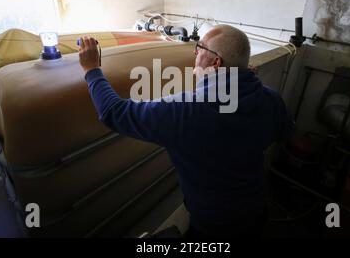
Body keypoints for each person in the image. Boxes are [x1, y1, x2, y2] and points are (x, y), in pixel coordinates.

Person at [78, 25, 295, 238]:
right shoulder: (270, 99)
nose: (195, 54)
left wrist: (92, 69)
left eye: (199, 49)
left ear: (215, 62)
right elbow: (285, 133)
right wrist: (242, 80)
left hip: (214, 226)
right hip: (256, 210)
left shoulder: (186, 110)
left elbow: (114, 113)